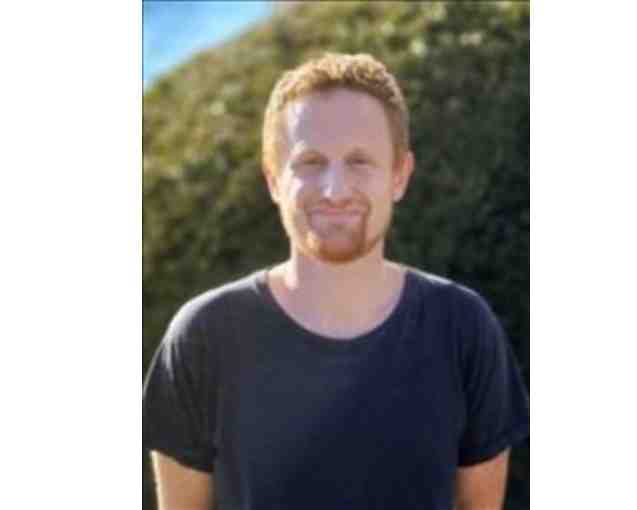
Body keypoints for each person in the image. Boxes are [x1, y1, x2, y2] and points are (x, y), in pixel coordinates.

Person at [143, 52, 530, 510]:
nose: (335, 190)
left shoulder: (463, 327)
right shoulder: (203, 337)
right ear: (273, 180)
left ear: (400, 176)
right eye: (310, 161)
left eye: (360, 161)